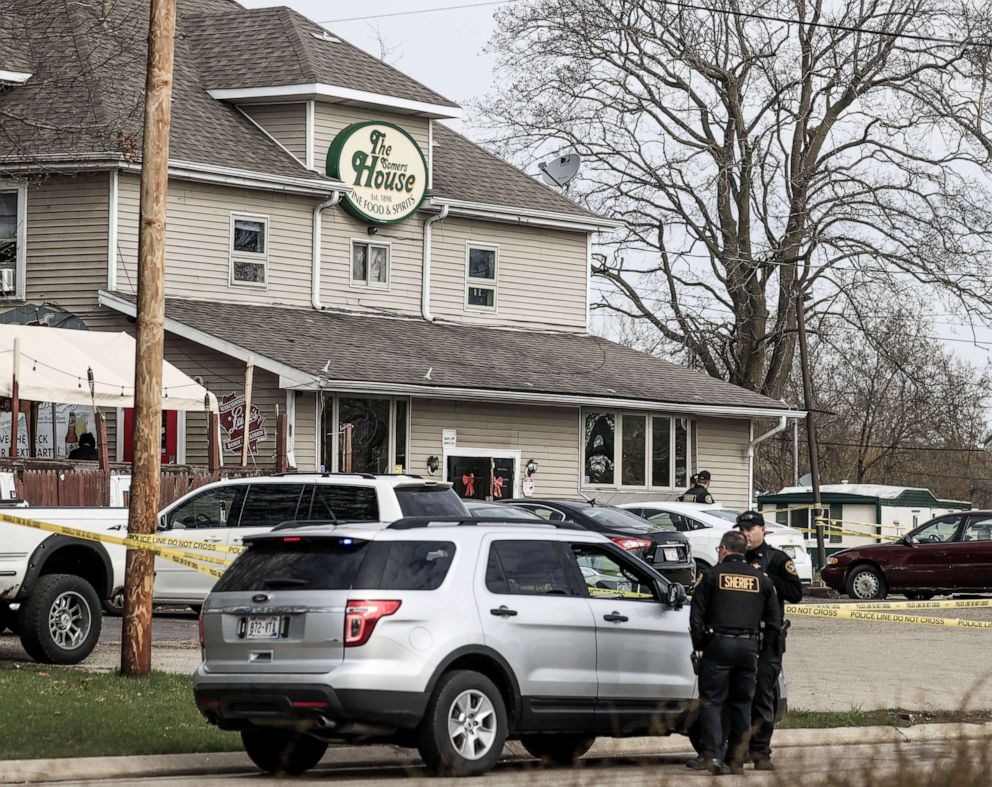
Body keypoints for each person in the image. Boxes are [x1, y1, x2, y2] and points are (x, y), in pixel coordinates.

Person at [687, 530, 781, 775]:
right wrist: (759, 647)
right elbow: (774, 622)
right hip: (749, 648)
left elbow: (696, 617)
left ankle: (714, 757)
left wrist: (699, 646)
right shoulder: (761, 579)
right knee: (742, 704)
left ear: (724, 550)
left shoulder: (711, 576)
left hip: (718, 644)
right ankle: (737, 761)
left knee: (712, 703)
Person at [735, 510, 804, 771]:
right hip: (740, 636)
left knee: (762, 696)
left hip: (767, 638)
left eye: (750, 529)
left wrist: (768, 580)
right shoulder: (735, 558)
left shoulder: (776, 559)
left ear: (762, 530)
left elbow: (796, 593)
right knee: (738, 695)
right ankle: (737, 748)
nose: (745, 534)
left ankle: (760, 752)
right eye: (741, 529)